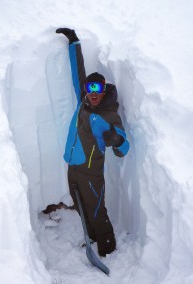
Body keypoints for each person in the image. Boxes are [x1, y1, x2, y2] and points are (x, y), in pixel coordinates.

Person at [56, 28, 130, 257]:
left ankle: (107, 246)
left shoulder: (109, 115)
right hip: (73, 166)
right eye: (90, 89)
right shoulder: (84, 102)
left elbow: (123, 147)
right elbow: (78, 72)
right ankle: (92, 237)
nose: (93, 93)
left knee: (96, 209)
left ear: (104, 89)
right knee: (79, 205)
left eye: (98, 89)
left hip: (91, 172)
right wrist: (74, 42)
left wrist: (116, 140)